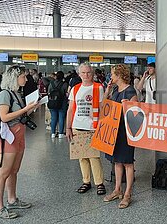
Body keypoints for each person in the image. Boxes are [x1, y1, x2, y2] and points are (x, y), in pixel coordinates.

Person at [0, 66, 39, 219]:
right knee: (3, 172)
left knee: (14, 170)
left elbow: (21, 115)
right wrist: (26, 108)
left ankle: (12, 199)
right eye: (23, 77)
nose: (26, 79)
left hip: (19, 136)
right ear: (14, 78)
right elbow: (4, 117)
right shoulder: (4, 94)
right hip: (8, 138)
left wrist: (32, 108)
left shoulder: (16, 94)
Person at [66, 63, 106, 195]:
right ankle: (86, 181)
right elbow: (71, 109)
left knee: (94, 156)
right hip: (78, 125)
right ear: (79, 74)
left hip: (92, 126)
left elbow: (102, 108)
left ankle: (99, 183)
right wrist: (68, 127)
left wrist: (101, 126)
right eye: (83, 73)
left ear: (92, 73)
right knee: (81, 157)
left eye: (88, 72)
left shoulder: (98, 87)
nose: (86, 75)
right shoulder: (75, 89)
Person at [102, 64, 138, 209]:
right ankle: (117, 189)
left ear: (119, 75)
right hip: (114, 129)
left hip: (125, 131)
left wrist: (126, 106)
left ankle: (128, 193)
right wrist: (108, 90)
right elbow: (105, 104)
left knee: (127, 162)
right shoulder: (116, 89)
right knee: (116, 161)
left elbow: (136, 111)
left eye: (113, 74)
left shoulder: (130, 91)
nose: (111, 77)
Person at [48, 71, 69, 138]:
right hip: (62, 103)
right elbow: (67, 94)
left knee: (53, 118)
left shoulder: (51, 83)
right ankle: (60, 134)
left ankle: (53, 133)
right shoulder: (65, 84)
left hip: (53, 102)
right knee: (61, 118)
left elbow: (48, 92)